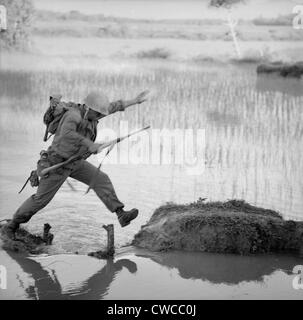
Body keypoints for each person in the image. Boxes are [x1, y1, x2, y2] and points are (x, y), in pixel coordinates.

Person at [1, 90, 149, 240]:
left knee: (101, 179)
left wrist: (135, 100)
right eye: (98, 114)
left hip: (75, 162)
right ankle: (12, 225)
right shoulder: (73, 115)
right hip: (57, 163)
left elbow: (115, 106)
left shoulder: (95, 112)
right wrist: (90, 144)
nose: (100, 117)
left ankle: (121, 214)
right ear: (89, 108)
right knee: (40, 200)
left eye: (100, 114)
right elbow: (67, 133)